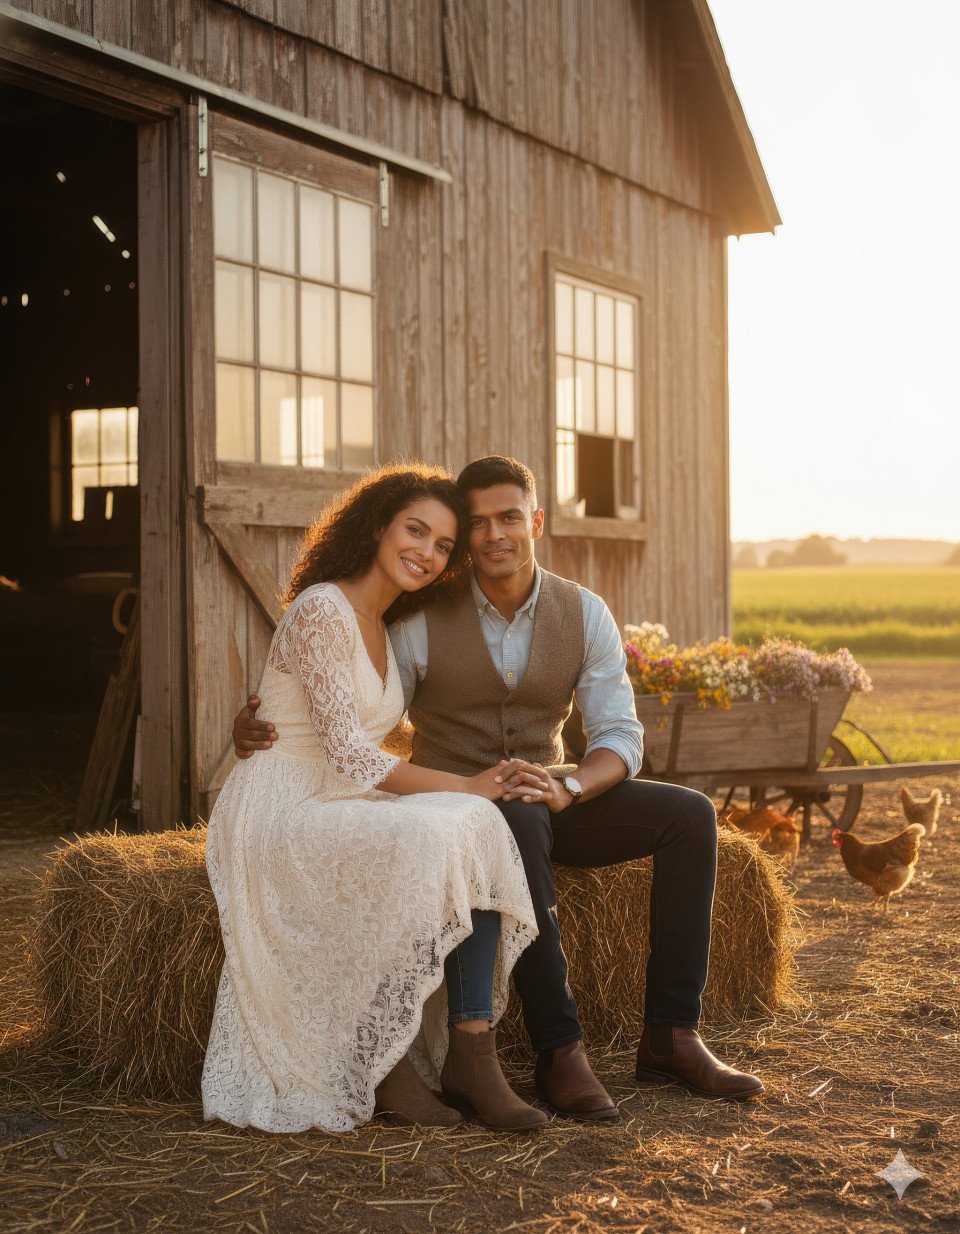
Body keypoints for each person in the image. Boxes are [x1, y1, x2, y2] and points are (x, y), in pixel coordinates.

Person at [234, 455, 765, 1120]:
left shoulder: (585, 612)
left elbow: (620, 736)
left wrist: (572, 787)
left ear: (536, 521)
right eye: (476, 524)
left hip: (556, 789)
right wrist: (263, 720)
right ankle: (559, 1048)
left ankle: (672, 1034)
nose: (494, 535)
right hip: (458, 800)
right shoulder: (419, 615)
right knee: (505, 821)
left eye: (509, 517)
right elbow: (348, 705)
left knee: (690, 815)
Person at [203, 463, 549, 1135]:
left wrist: (474, 792)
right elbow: (350, 753)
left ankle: (472, 1051)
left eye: (443, 545)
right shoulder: (322, 609)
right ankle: (381, 1062)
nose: (426, 551)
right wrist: (468, 784)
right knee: (444, 824)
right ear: (377, 527)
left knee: (470, 824)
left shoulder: (393, 624)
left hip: (342, 798)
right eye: (414, 531)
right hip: (284, 805)